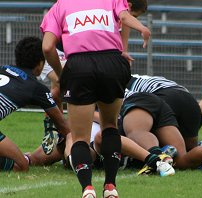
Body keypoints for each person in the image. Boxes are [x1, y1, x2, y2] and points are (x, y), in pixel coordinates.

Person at [40, 1, 150, 197]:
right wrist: (142, 28)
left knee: (80, 137)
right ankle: (110, 186)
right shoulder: (112, 0)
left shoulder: (59, 6)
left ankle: (87, 189)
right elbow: (125, 17)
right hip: (112, 63)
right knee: (110, 126)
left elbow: (48, 47)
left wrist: (62, 74)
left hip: (79, 65)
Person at [27, 111, 175, 177]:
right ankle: (74, 158)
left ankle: (157, 160)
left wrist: (84, 114)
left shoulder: (102, 106)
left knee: (102, 136)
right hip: (88, 149)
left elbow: (116, 123)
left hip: (104, 145)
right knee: (40, 156)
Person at [119, 90, 202, 173]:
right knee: (181, 161)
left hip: (141, 100)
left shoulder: (112, 87)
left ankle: (160, 157)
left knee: (137, 132)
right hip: (172, 100)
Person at [0, 36, 70, 172]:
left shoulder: (2, 69)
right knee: (21, 165)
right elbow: (63, 126)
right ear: (40, 64)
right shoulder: (36, 88)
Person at [126, 74, 201, 151]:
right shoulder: (140, 77)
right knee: (190, 149)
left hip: (163, 96)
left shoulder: (119, 83)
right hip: (189, 99)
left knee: (140, 134)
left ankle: (158, 154)